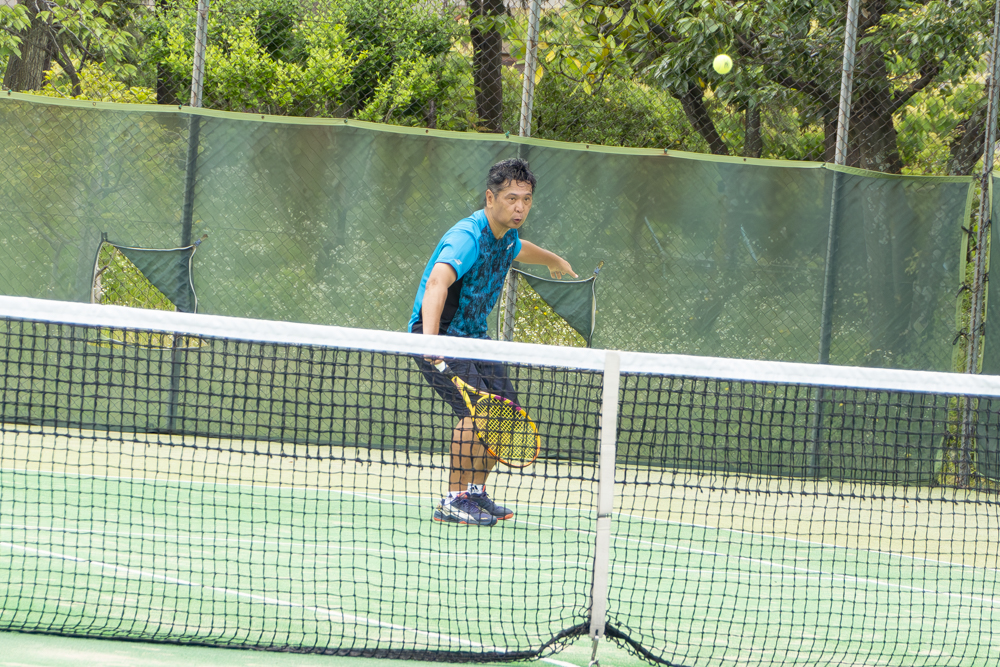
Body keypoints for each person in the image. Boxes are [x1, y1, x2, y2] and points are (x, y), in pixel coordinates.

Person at [409, 158, 576, 526]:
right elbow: (437, 282)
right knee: (477, 415)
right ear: (490, 198)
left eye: (526, 200)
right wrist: (431, 342)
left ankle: (475, 492)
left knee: (506, 414)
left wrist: (553, 259)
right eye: (511, 199)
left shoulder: (506, 237)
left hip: (476, 339)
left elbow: (519, 248)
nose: (519, 208)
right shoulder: (467, 236)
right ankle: (453, 500)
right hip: (439, 335)